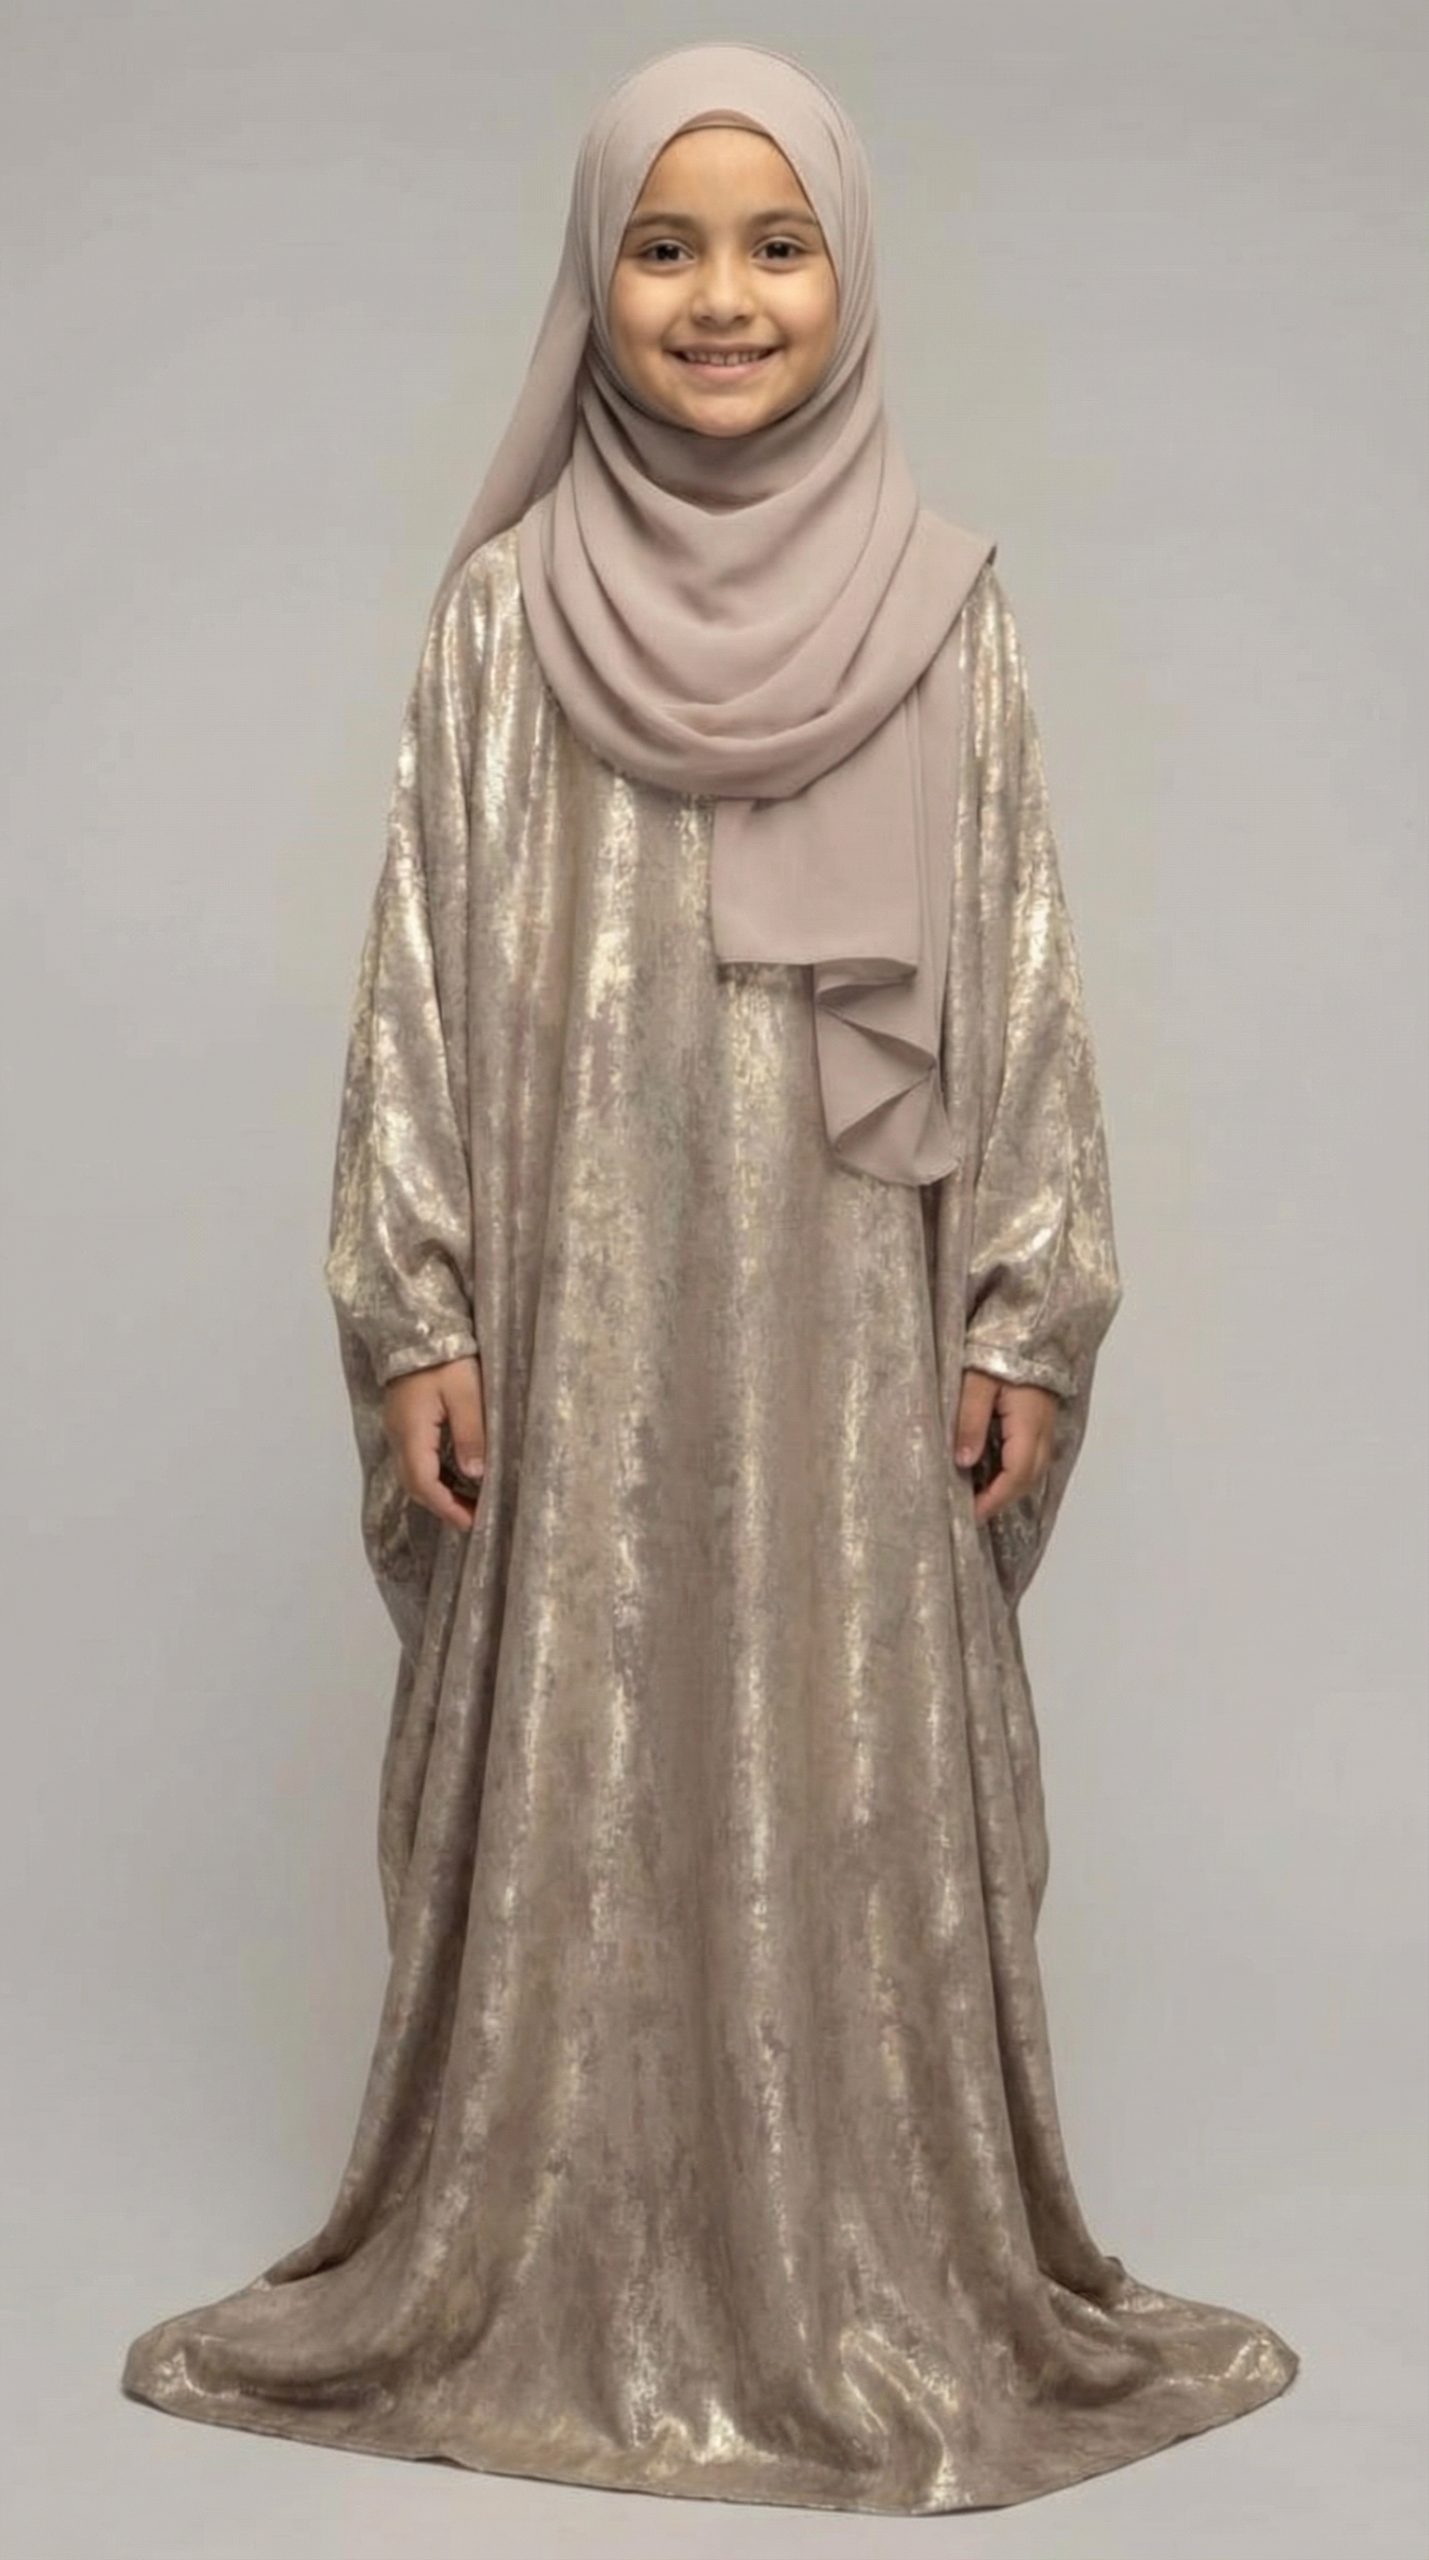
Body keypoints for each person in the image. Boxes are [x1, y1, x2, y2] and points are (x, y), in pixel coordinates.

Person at [120, 40, 1299, 2517]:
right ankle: (547, 2256)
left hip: (850, 1319)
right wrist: (423, 1305)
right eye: (662, 246)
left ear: (851, 277)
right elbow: (416, 978)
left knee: (846, 1739)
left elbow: (1021, 976)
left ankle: (864, 2260)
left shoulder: (945, 617)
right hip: (576, 1317)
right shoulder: (501, 616)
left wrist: (1022, 1304)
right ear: (590, 282)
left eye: (777, 244)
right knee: (576, 1722)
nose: (721, 295)